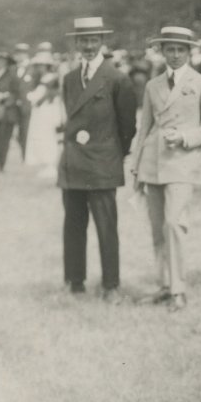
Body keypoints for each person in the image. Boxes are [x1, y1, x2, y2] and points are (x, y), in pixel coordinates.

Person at [131, 27, 201, 312]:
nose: (174, 54)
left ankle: (178, 290)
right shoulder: (152, 85)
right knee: (158, 229)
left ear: (189, 52)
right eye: (169, 49)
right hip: (153, 162)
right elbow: (144, 128)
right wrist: (135, 168)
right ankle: (164, 286)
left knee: (174, 222)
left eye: (180, 49)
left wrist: (184, 137)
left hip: (182, 161)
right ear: (162, 51)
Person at [58, 17, 137, 302]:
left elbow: (128, 128)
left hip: (102, 163)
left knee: (106, 227)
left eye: (93, 40)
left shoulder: (117, 78)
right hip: (74, 163)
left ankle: (111, 285)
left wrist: (113, 154)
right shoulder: (68, 79)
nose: (88, 46)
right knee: (73, 225)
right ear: (76, 43)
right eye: (83, 40)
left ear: (102, 42)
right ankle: (75, 282)